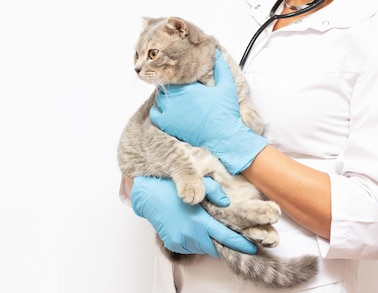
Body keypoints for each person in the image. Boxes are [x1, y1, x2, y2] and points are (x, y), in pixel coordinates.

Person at [120, 0, 378, 292]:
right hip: (189, 280)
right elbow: (160, 126)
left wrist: (238, 145)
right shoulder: (234, 12)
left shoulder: (369, 30)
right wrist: (144, 190)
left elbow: (371, 212)